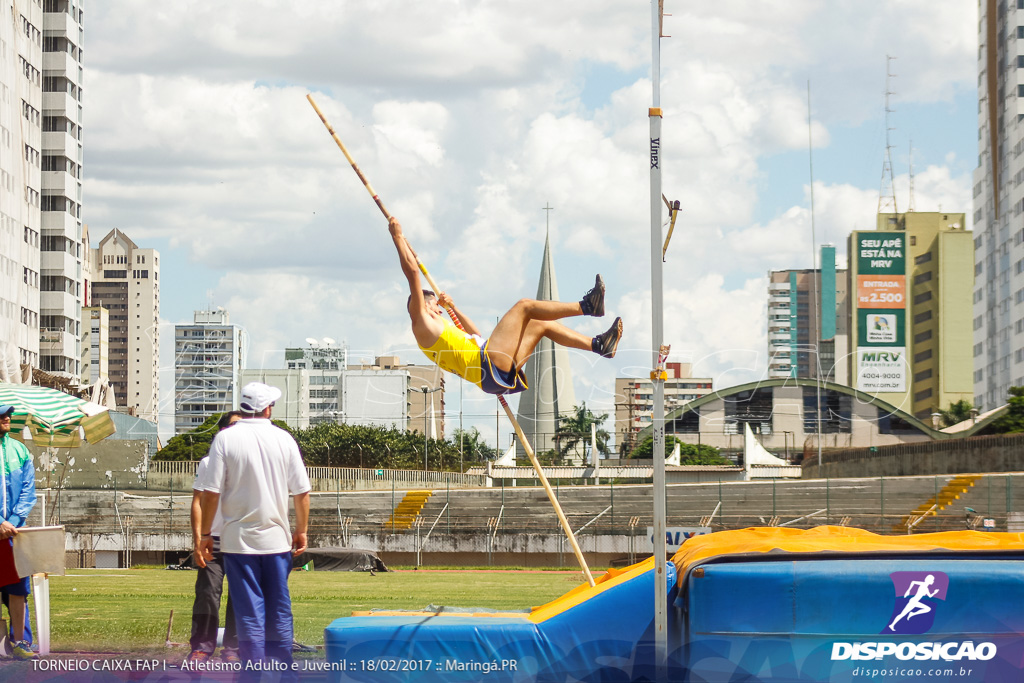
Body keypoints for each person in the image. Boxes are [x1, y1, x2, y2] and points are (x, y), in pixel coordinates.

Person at [389, 216, 623, 395]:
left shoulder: (441, 331)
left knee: (541, 325)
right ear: (425, 306)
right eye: (433, 307)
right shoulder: (422, 325)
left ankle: (599, 345)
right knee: (524, 306)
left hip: (494, 373)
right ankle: (587, 306)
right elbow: (412, 274)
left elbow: (476, 334)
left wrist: (454, 308)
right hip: (487, 365)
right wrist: (397, 237)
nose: (438, 310)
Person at [198, 383, 311, 681]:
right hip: (276, 540)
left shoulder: (225, 439)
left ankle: (252, 674)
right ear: (268, 407)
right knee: (279, 608)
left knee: (249, 611)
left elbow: (211, 493)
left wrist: (206, 534)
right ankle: (285, 672)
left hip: (238, 542)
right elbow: (301, 493)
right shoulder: (284, 439)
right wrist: (301, 531)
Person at [187, 410, 243, 664]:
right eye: (233, 426)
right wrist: (199, 538)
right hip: (213, 540)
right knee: (208, 592)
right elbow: (197, 501)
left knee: (240, 596)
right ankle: (201, 646)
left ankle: (233, 648)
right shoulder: (209, 462)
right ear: (221, 432)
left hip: (243, 541)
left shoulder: (251, 462)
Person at [0, 404, 36, 660]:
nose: (7, 418)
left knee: (17, 590)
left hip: (13, 534)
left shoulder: (20, 450)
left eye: (7, 414)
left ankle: (21, 642)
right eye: (1, 414)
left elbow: (28, 491)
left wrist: (11, 522)